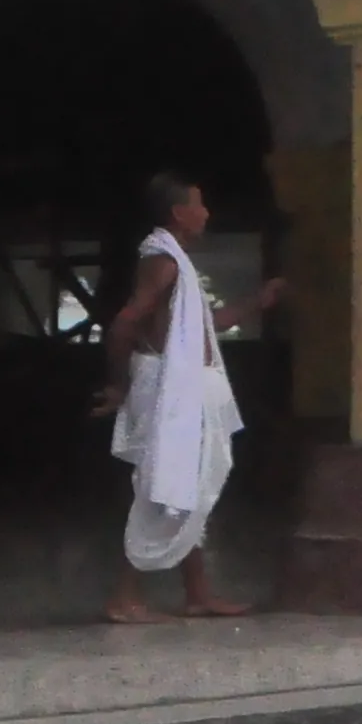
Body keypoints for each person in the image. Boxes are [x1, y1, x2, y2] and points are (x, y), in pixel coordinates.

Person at [97, 170, 281, 622]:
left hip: (185, 389)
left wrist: (259, 300)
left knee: (189, 489)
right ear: (179, 214)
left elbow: (207, 326)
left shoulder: (176, 262)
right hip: (167, 390)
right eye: (199, 204)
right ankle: (124, 597)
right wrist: (118, 385)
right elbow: (125, 322)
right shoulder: (165, 262)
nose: (206, 213)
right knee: (165, 490)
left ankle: (198, 593)